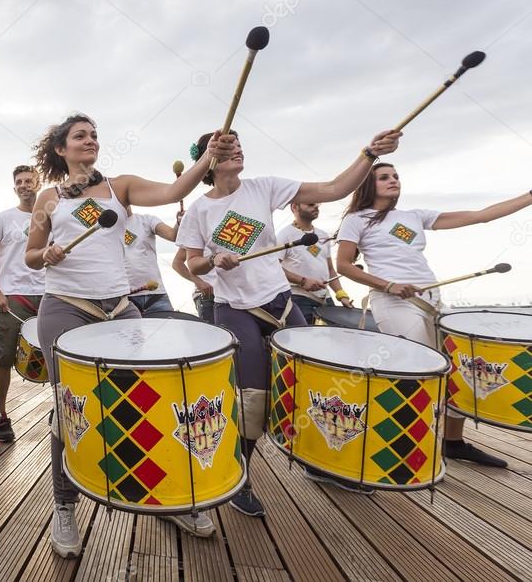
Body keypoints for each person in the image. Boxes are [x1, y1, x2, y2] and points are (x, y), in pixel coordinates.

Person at [24, 114, 236, 557]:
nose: (90, 141)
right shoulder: (47, 197)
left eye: (94, 135)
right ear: (61, 149)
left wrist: (207, 160)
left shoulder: (119, 186)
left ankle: (166, 502)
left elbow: (173, 191)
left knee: (144, 403)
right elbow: (30, 256)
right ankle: (65, 507)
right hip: (66, 307)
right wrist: (47, 253)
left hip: (121, 308)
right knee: (70, 410)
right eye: (80, 136)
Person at [177, 127, 401, 517]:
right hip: (235, 308)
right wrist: (214, 260)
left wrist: (369, 154)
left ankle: (321, 464)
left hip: (279, 301)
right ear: (207, 159)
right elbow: (190, 261)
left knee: (314, 382)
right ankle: (238, 477)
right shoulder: (199, 210)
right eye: (225, 146)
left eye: (239, 143)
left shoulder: (264, 187)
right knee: (252, 401)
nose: (236, 149)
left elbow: (333, 189)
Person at [337, 162, 532, 468]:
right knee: (415, 374)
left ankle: (452, 443)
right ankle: (402, 447)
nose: (393, 181)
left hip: (432, 299)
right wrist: (389, 284)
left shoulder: (414, 216)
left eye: (396, 176)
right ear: (367, 185)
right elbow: (344, 265)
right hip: (394, 302)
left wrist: (529, 196)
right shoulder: (356, 219)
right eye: (384, 177)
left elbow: (481, 216)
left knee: (459, 370)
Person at [0, 165, 45, 443]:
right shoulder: (2, 219)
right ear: (14, 187)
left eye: (29, 180)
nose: (25, 184)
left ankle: (61, 411)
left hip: (50, 295)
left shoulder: (50, 216)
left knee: (59, 356)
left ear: (39, 183)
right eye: (19, 181)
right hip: (13, 297)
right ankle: (1, 415)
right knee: (2, 358)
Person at [277, 202, 353, 324]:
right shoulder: (285, 235)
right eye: (310, 204)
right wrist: (303, 281)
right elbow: (274, 267)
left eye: (317, 204)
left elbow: (330, 269)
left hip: (325, 299)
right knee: (305, 340)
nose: (316, 206)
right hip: (298, 299)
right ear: (295, 207)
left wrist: (341, 294)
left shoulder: (322, 235)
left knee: (332, 340)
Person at [123, 206, 179, 314]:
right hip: (124, 300)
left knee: (167, 329)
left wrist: (179, 222)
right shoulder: (106, 227)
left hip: (156, 295)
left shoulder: (147, 220)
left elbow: (173, 235)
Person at [172, 248, 217, 322]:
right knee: (210, 331)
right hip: (207, 295)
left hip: (231, 294)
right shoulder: (192, 237)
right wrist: (199, 282)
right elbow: (177, 263)